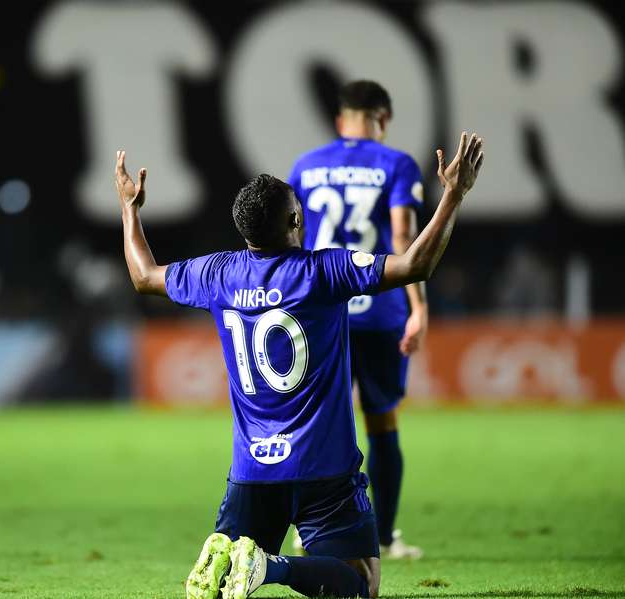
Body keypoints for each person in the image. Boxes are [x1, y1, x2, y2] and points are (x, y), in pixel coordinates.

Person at [115, 131, 484, 599]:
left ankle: (241, 557)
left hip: (252, 471)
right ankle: (271, 569)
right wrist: (453, 195)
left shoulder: (218, 274)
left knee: (228, 567)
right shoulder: (323, 272)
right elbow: (414, 265)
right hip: (324, 469)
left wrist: (130, 209)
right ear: (295, 219)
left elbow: (144, 276)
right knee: (362, 585)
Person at [288, 80, 428, 558]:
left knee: (316, 423)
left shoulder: (306, 167)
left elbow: (291, 239)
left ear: (339, 120)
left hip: (319, 311)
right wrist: (419, 308)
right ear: (383, 119)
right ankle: (385, 538)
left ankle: (308, 532)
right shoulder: (396, 163)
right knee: (382, 421)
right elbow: (404, 235)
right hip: (380, 310)